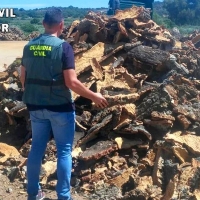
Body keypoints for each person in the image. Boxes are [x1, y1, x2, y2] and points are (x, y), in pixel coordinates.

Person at [20, 7, 108, 200]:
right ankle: (64, 196)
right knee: (64, 151)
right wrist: (94, 96)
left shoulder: (29, 46)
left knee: (36, 148)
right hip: (60, 107)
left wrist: (35, 94)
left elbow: (22, 77)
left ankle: (33, 194)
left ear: (44, 24)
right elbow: (71, 82)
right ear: (61, 25)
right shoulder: (63, 47)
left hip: (35, 106)